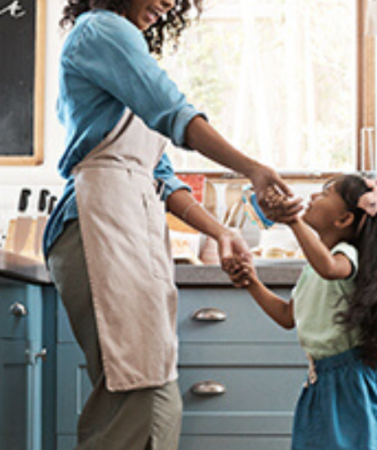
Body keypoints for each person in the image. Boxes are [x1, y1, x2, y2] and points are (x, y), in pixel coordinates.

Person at [44, 0, 300, 449]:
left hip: (128, 220)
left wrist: (220, 231)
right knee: (137, 394)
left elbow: (160, 175)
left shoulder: (120, 47)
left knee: (150, 392)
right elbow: (174, 111)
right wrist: (251, 168)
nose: (167, 4)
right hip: (98, 221)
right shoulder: (100, 30)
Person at [230, 174, 377, 450]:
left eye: (325, 193)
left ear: (343, 220)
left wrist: (293, 221)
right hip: (323, 379)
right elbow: (287, 316)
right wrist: (251, 282)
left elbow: (331, 268)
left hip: (350, 380)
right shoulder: (313, 267)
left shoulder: (345, 255)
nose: (312, 197)